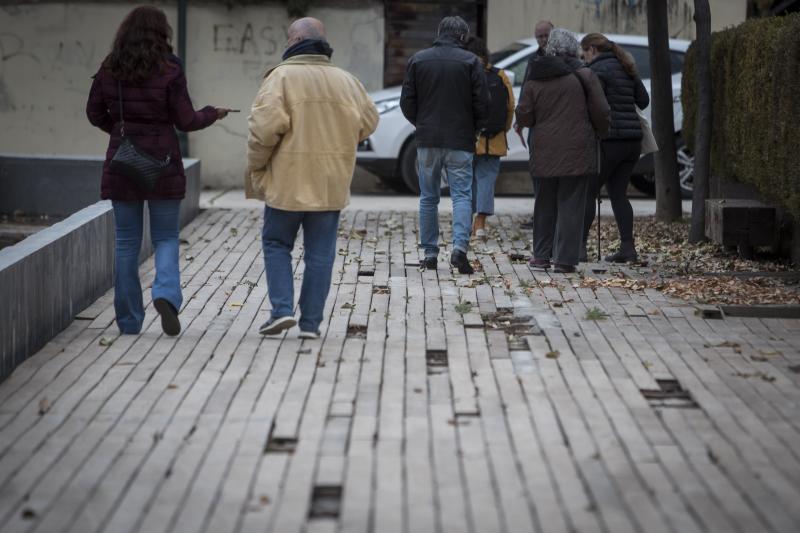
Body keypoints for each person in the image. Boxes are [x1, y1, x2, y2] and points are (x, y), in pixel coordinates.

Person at [86, 6, 228, 336]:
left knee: (125, 244)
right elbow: (186, 120)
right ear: (161, 32)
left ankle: (129, 322)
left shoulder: (110, 67)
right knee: (165, 238)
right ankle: (164, 293)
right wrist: (212, 113)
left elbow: (94, 112)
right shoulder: (170, 68)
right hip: (163, 163)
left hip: (123, 164)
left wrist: (119, 130)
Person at [246, 17, 378, 338]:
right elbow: (370, 121)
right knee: (321, 254)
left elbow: (263, 131)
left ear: (293, 41)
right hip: (330, 182)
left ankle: (280, 311)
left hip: (286, 182)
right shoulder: (347, 81)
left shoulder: (282, 77)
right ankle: (310, 324)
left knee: (277, 243)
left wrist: (257, 167)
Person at [399, 16, 490, 274]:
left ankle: (429, 253)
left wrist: (421, 123)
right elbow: (483, 102)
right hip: (460, 139)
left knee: (428, 197)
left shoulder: (418, 59)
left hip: (427, 139)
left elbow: (407, 101)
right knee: (461, 194)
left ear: (439, 33)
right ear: (463, 36)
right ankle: (459, 249)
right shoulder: (471, 62)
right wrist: (475, 129)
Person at [515, 28, 609, 273]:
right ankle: (565, 260)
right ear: (573, 49)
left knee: (544, 202)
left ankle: (541, 256)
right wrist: (600, 131)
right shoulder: (585, 75)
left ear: (550, 49)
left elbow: (523, 115)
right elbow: (602, 110)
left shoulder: (536, 76)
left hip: (544, 148)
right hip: (577, 149)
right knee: (571, 203)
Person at [580, 33, 650, 263]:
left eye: (584, 53)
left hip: (610, 140)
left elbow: (596, 106)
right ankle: (628, 248)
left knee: (588, 192)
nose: (584, 59)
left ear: (592, 49)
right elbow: (643, 100)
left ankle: (578, 248)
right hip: (632, 142)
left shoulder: (597, 71)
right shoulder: (626, 66)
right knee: (619, 194)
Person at [463, 35, 515, 240]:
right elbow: (510, 107)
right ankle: (480, 224)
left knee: (465, 182)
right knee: (486, 181)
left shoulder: (464, 73)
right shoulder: (499, 75)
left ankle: (465, 224)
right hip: (494, 139)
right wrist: (503, 130)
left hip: (466, 139)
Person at [517, 20, 554, 230]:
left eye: (546, 35)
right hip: (537, 123)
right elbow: (526, 90)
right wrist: (521, 119)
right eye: (539, 36)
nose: (542, 40)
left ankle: (550, 214)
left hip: (556, 122)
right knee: (537, 169)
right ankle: (539, 214)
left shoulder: (563, 57)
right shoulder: (533, 60)